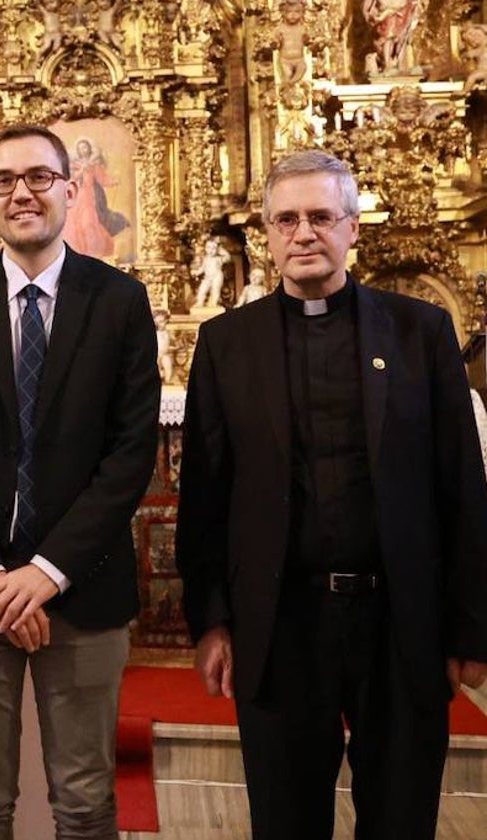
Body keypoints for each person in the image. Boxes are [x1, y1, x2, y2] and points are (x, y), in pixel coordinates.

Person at [175, 149, 487, 839]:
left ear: (352, 229)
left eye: (321, 216)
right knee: (286, 822)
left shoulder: (421, 332)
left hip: (401, 622)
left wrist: (470, 628)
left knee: (400, 817)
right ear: (267, 234)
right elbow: (205, 497)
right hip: (281, 624)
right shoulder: (227, 344)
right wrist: (212, 621)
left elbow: (461, 485)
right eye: (286, 219)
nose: (303, 233)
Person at [0, 123, 160, 840]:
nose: (22, 193)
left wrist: (45, 573)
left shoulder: (118, 301)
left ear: (72, 189)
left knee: (84, 800)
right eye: (4, 180)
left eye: (39, 177)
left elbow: (130, 451)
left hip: (83, 586)